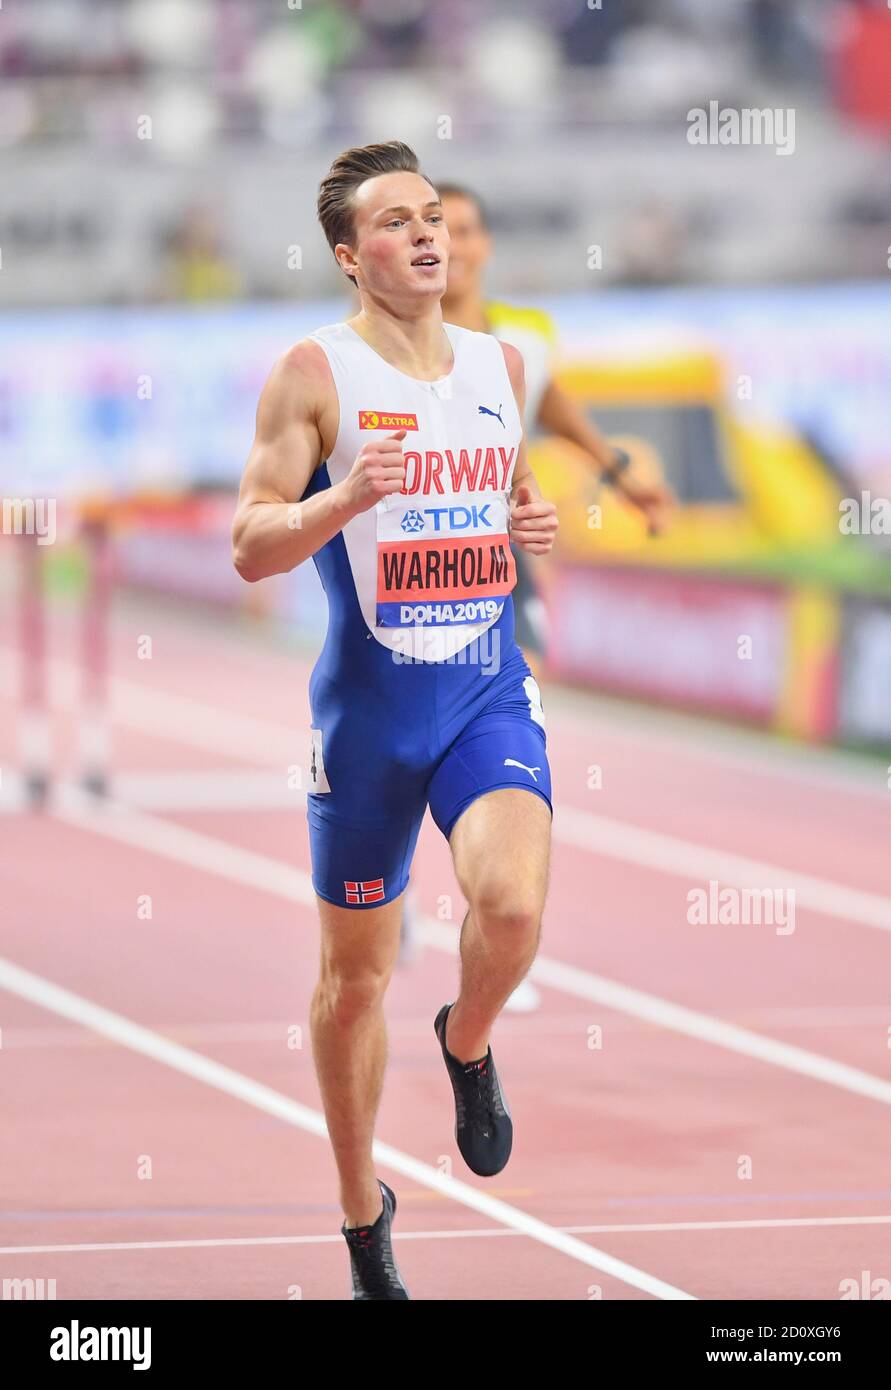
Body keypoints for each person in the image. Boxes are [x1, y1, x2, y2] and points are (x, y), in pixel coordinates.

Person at [231, 141, 558, 1300]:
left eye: (436, 217)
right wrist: (346, 495)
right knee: (354, 979)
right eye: (397, 222)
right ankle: (362, 1215)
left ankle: (466, 1040)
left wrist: (527, 520)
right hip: (367, 713)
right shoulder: (311, 373)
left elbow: (501, 493)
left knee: (511, 905)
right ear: (348, 255)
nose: (427, 236)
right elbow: (250, 546)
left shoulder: (499, 364)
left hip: (480, 686)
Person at [396, 183, 676, 1007]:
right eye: (437, 231)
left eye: (467, 230)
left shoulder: (527, 337)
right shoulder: (397, 341)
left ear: (482, 245)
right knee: (414, 728)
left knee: (509, 725)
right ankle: (398, 883)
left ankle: (495, 916)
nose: (454, 245)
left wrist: (618, 474)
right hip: (422, 556)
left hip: (508, 553)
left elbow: (547, 403)